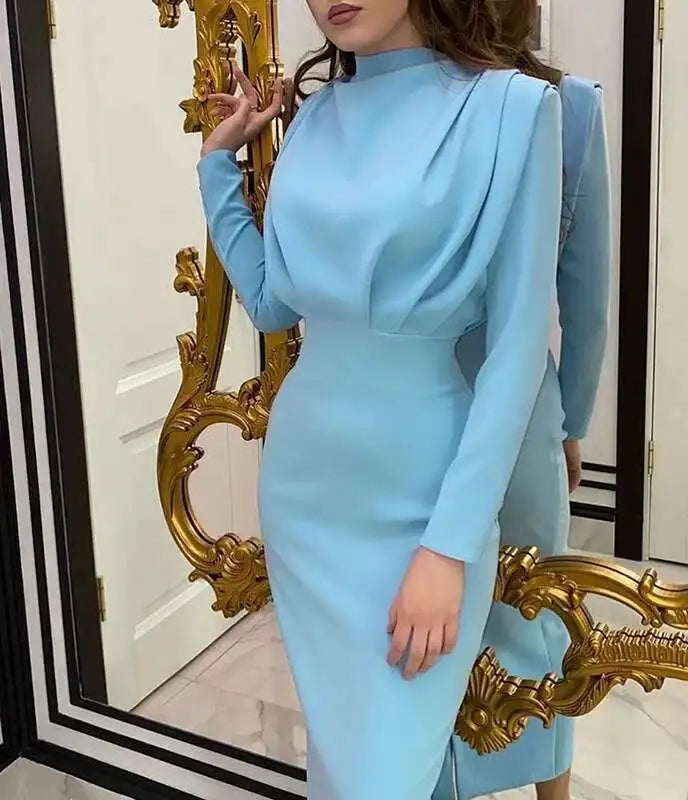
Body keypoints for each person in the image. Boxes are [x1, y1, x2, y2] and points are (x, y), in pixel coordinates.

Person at [197, 1, 565, 797]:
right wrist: (217, 169)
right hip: (306, 499)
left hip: (423, 503)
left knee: (384, 773)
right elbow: (272, 303)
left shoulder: (515, 109)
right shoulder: (315, 120)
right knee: (347, 770)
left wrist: (449, 548)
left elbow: (515, 355)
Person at [436, 74, 612, 800]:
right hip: (521, 405)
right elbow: (586, 300)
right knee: (535, 614)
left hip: (410, 394)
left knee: (428, 624)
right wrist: (570, 422)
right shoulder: (567, 107)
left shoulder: (410, 94)